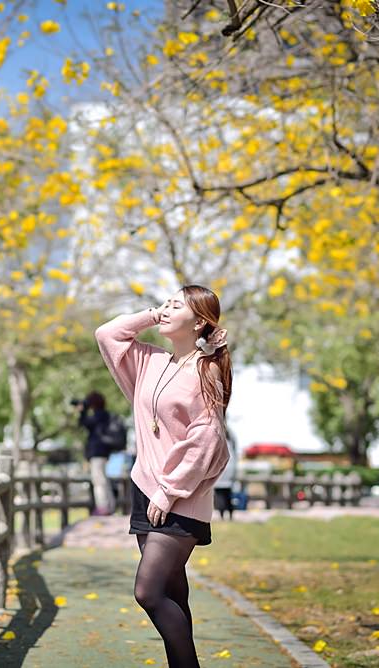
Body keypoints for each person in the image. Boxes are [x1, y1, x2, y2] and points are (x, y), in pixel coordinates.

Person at [95, 284, 232, 668]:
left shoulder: (206, 373)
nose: (167, 308)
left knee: (148, 592)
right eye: (166, 303)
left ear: (201, 322)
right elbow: (107, 334)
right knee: (174, 593)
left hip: (179, 498)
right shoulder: (150, 361)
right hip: (146, 489)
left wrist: (170, 490)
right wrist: (153, 315)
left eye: (177, 306)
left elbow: (206, 437)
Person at [77, 390, 117, 515]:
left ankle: (103, 507)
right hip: (104, 453)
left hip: (97, 453)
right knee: (104, 479)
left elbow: (83, 423)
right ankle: (110, 506)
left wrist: (82, 412)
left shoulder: (97, 416)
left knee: (98, 480)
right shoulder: (105, 415)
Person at [213, 426, 238, 520]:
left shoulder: (219, 440)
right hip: (229, 471)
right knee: (228, 495)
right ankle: (230, 514)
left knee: (220, 496)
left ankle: (222, 515)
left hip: (220, 472)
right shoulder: (231, 442)